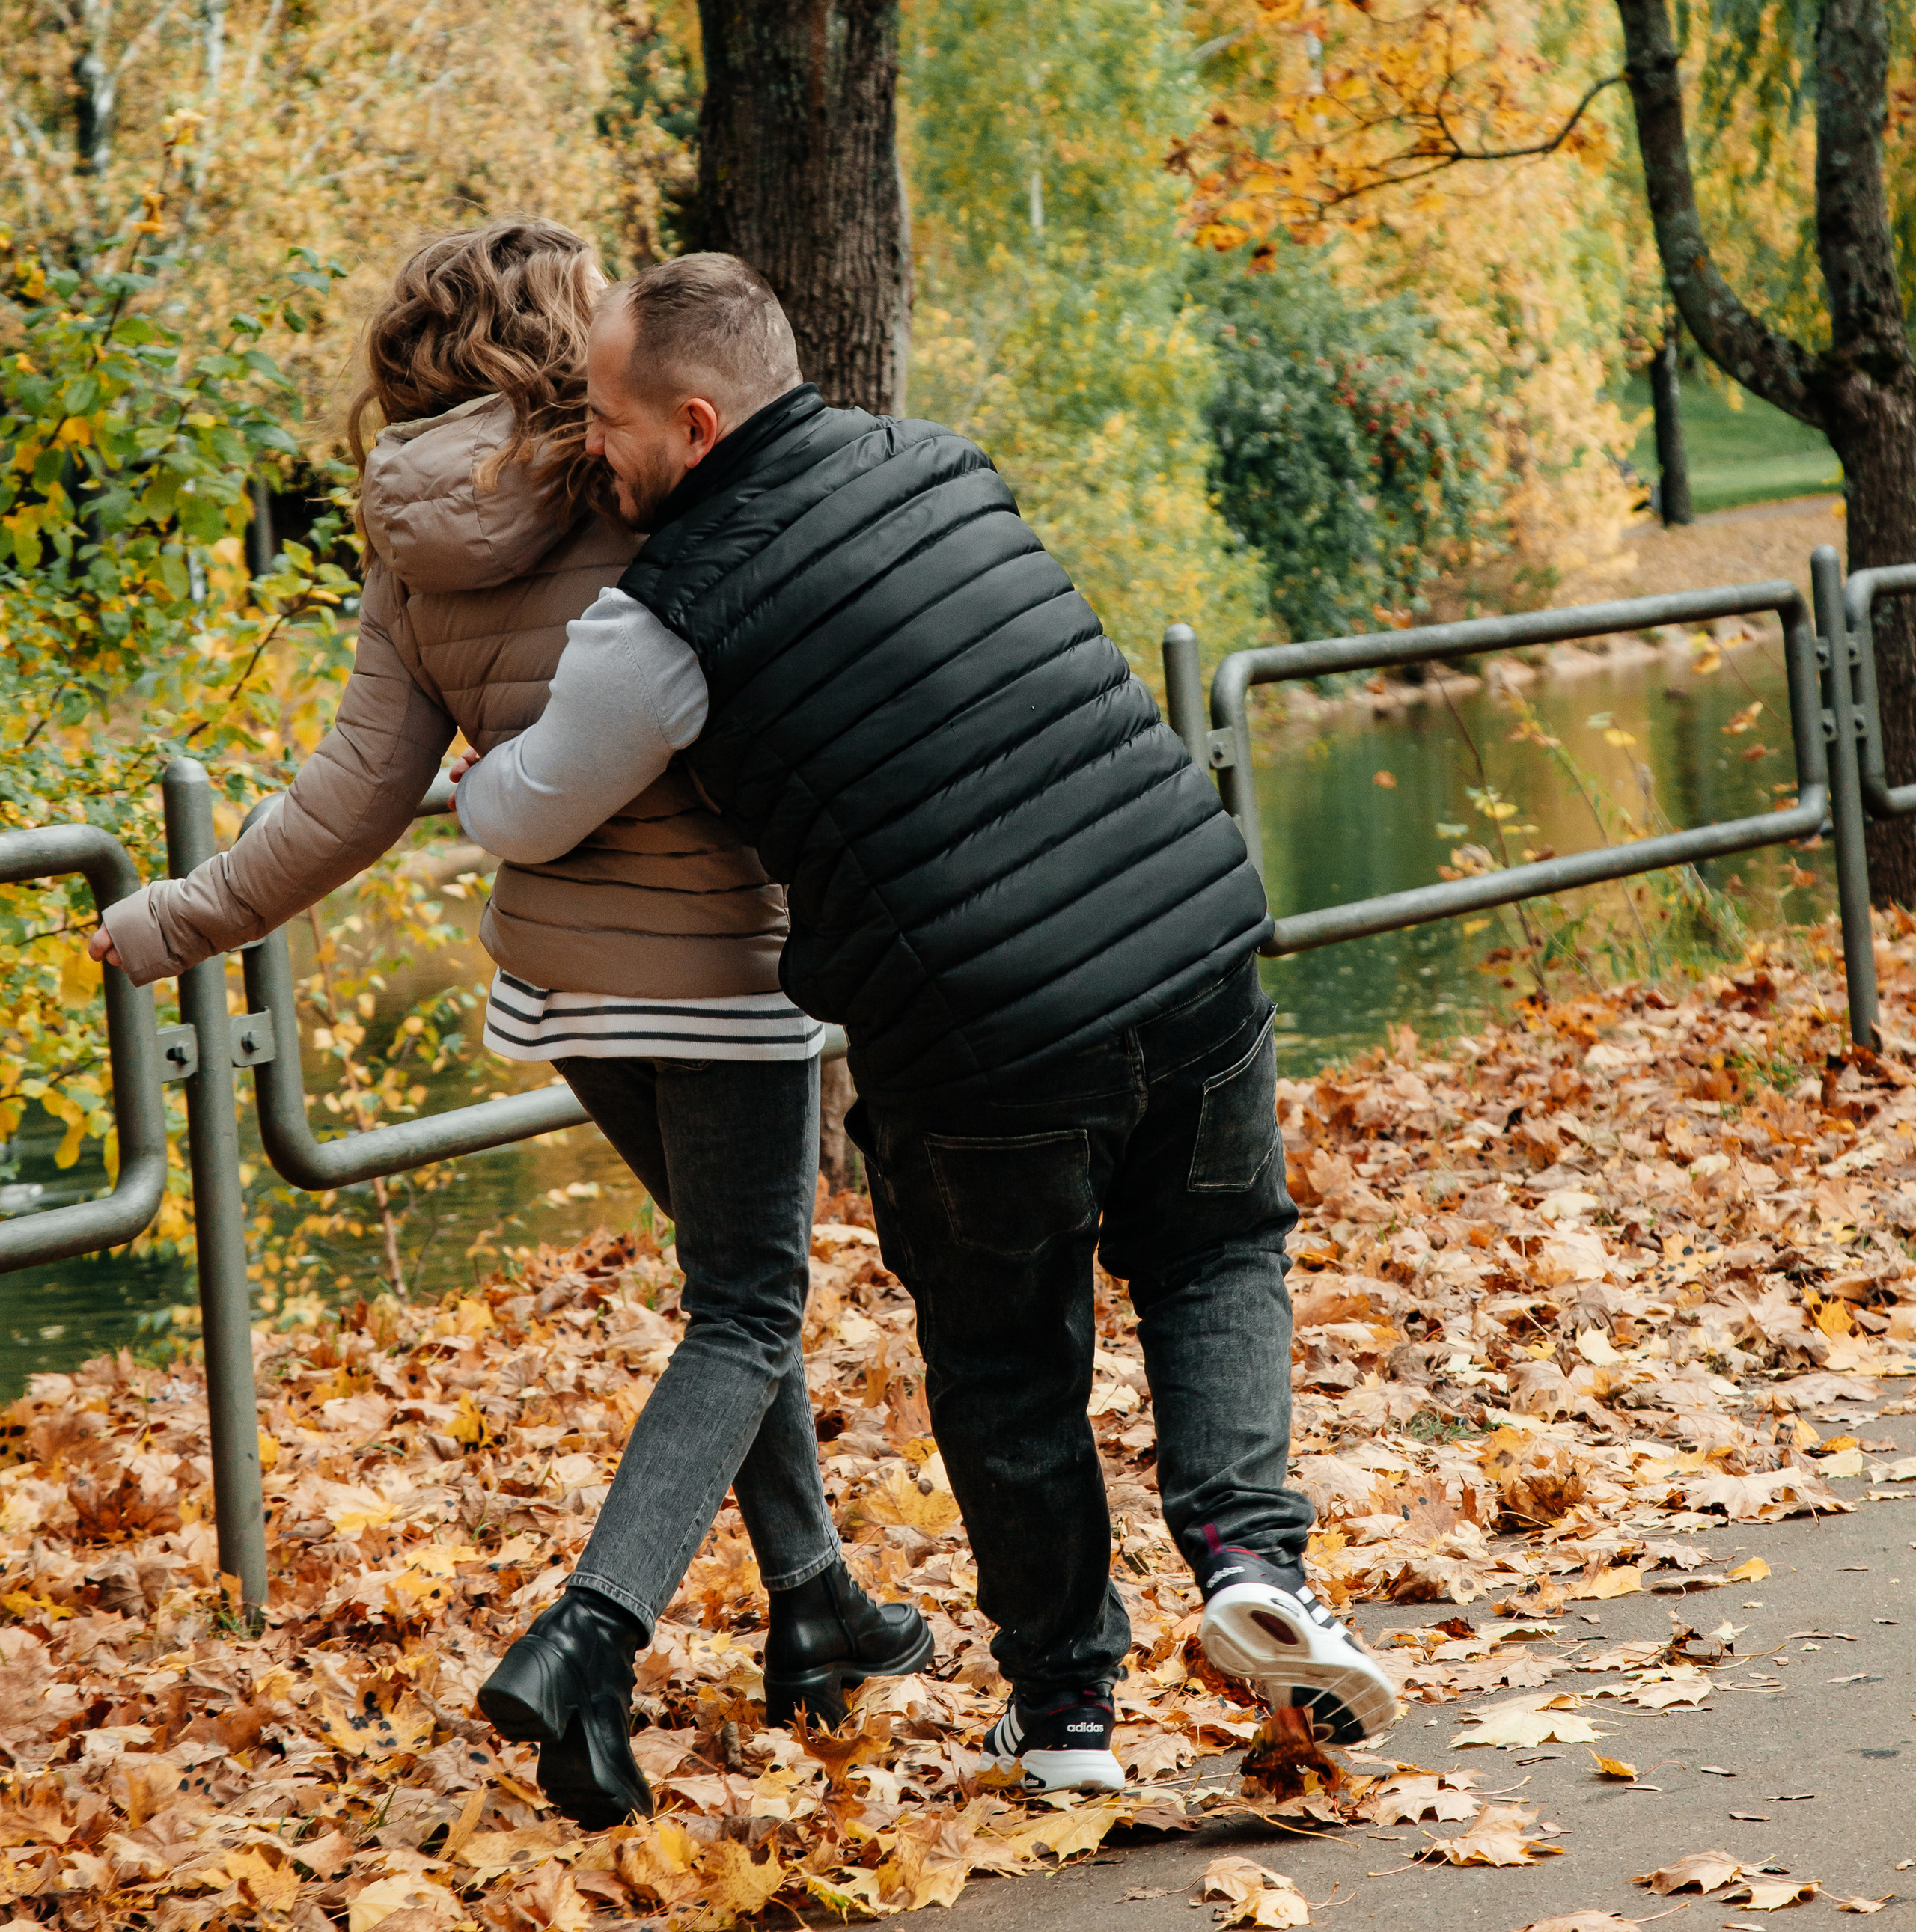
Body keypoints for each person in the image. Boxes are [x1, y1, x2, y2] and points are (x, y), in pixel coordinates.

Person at [451, 249, 1403, 1795]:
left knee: (1004, 1354)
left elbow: (531, 808)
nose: (590, 451)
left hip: (978, 1030)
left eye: (608, 423)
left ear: (693, 426)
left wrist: (461, 772)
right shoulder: (939, 463)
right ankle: (1253, 1565)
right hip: (1185, 936)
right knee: (1213, 1251)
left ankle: (1066, 1716)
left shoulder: (658, 621)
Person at [88, 219, 928, 1827]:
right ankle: (587, 1645)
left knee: (725, 1309)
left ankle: (815, 1604)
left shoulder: (410, 532)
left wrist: (172, 919)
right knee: (746, 1311)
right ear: (564, 336)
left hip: (568, 991)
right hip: (721, 971)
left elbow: (349, 797)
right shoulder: (646, 482)